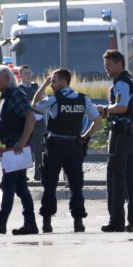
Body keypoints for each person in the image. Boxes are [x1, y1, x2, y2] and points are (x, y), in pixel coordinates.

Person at [32, 68, 104, 233]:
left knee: (50, 185)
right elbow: (98, 120)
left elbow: (34, 104)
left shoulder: (54, 100)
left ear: (63, 82)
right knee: (76, 186)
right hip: (74, 145)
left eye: (54, 81)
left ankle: (47, 222)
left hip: (55, 145)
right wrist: (85, 137)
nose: (51, 85)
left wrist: (42, 85)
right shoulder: (83, 99)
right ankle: (78, 222)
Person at [0, 66, 38, 235]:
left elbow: (30, 117)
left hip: (17, 148)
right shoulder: (7, 97)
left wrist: (22, 141)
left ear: (7, 79)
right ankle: (30, 224)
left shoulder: (16, 94)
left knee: (9, 185)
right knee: (20, 187)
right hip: (12, 147)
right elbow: (9, 124)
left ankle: (1, 222)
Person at [98, 50, 133, 233]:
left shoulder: (122, 82)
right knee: (130, 178)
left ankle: (116, 220)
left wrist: (105, 109)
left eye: (109, 65)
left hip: (122, 133)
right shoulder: (131, 80)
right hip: (131, 132)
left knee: (115, 176)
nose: (106, 69)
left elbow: (122, 106)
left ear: (119, 64)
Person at [18, 65, 45, 181]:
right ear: (20, 75)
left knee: (39, 149)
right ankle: (23, 175)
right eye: (26, 73)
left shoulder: (37, 87)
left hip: (38, 121)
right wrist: (33, 103)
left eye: (29, 73)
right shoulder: (18, 89)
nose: (29, 75)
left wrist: (33, 103)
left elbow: (44, 101)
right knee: (25, 149)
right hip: (24, 123)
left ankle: (38, 174)